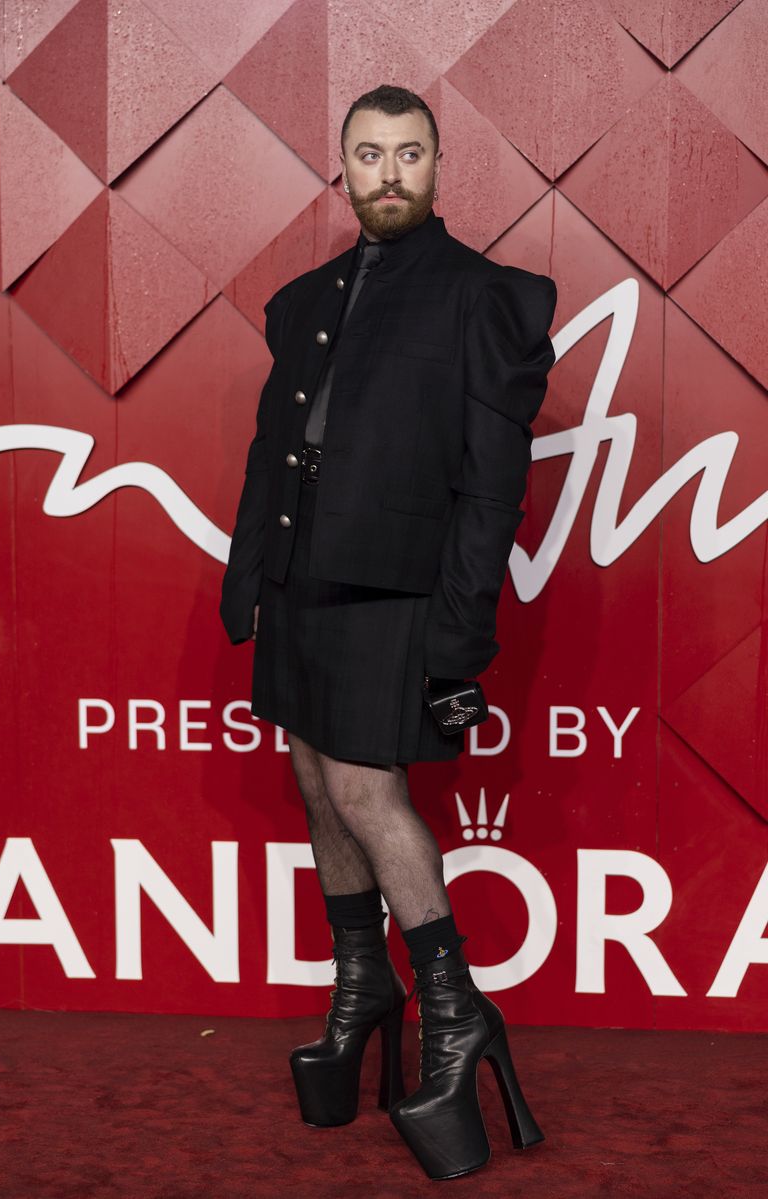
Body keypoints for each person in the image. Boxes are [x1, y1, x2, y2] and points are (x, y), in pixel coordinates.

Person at [220, 84, 557, 1180]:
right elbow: (273, 456)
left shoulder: (482, 298)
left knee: (369, 791)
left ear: (438, 163)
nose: (389, 173)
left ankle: (456, 1014)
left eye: (408, 154)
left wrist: (459, 634)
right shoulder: (303, 299)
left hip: (394, 594)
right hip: (300, 580)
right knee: (315, 783)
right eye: (368, 155)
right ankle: (362, 983)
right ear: (344, 166)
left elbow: (490, 495)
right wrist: (251, 582)